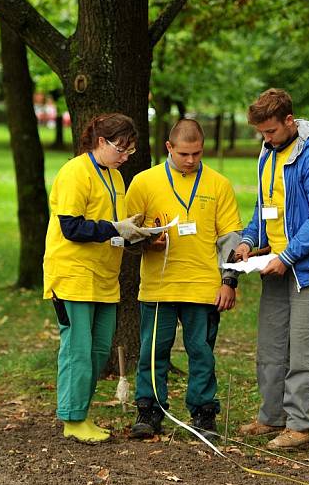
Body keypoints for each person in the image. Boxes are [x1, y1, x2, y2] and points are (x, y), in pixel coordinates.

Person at [233, 89, 309, 450]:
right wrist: (249, 241)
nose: (265, 139)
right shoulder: (268, 153)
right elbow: (264, 207)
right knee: (270, 347)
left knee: (304, 349)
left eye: (270, 131)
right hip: (274, 265)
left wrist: (287, 257)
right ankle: (271, 418)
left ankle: (299, 425)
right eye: (261, 134)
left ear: (289, 121)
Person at [125, 119, 243, 442]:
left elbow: (231, 239)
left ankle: (204, 413)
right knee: (153, 350)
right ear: (169, 148)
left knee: (201, 352)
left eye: (197, 154)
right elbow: (126, 235)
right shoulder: (144, 183)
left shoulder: (219, 184)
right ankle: (149, 410)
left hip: (204, 286)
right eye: (184, 154)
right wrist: (148, 242)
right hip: (159, 286)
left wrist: (229, 281)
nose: (191, 160)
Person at [43, 113, 152, 443]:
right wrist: (115, 228)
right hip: (74, 275)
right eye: (120, 149)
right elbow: (72, 227)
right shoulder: (75, 172)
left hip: (106, 278)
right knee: (78, 349)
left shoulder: (116, 177)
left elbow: (110, 228)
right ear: (101, 142)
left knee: (98, 349)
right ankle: (72, 419)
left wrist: (134, 234)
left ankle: (82, 413)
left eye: (130, 152)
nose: (124, 157)